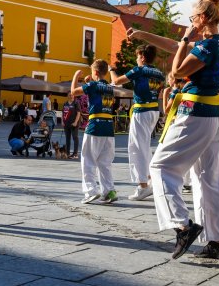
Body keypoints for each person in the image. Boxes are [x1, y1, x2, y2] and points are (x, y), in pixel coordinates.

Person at [130, 0, 219, 260]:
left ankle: (182, 226)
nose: (189, 24)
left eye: (191, 18)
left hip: (196, 113)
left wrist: (186, 41)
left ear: (202, 19)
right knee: (208, 178)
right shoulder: (217, 42)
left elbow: (176, 71)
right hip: (214, 115)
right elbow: (177, 46)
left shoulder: (205, 47)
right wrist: (145, 35)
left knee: (160, 166)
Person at [109, 44, 164, 201]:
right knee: (145, 146)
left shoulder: (139, 70)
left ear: (142, 57)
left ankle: (142, 186)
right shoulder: (159, 72)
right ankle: (149, 178)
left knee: (136, 148)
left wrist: (111, 69)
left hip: (142, 111)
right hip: (153, 110)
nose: (136, 59)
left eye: (137, 56)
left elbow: (116, 81)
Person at [71, 60, 117, 205]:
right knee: (105, 162)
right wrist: (90, 81)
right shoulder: (109, 87)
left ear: (95, 72)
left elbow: (74, 92)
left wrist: (75, 77)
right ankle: (109, 191)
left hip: (95, 126)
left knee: (88, 160)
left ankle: (91, 192)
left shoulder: (93, 85)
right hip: (109, 127)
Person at [62, 94, 81, 159]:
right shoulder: (65, 103)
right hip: (66, 124)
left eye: (72, 95)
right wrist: (62, 121)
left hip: (74, 124)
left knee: (75, 138)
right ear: (67, 96)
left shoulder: (76, 103)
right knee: (67, 138)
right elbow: (63, 113)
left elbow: (78, 113)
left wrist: (75, 122)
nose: (71, 96)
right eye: (69, 95)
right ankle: (67, 153)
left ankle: (75, 154)